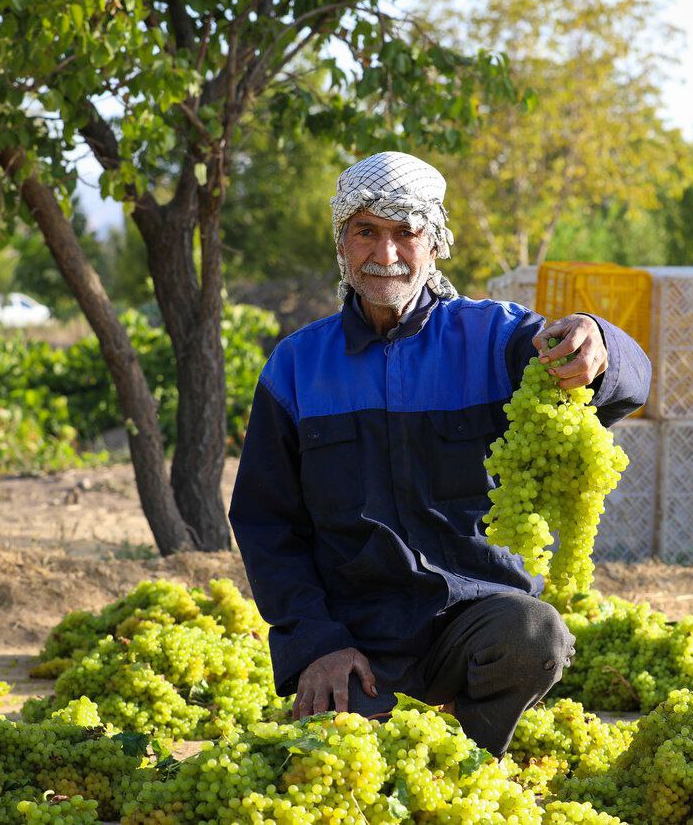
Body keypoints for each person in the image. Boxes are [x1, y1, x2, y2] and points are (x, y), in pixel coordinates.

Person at [227, 151, 651, 757]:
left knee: (534, 634)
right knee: (348, 780)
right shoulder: (296, 367)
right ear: (342, 242)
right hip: (354, 640)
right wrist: (316, 641)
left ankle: (476, 762)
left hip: (471, 623)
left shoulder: (497, 339)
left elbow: (626, 385)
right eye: (366, 231)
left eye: (406, 233)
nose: (386, 253)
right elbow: (267, 523)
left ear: (435, 243)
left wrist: (598, 341)